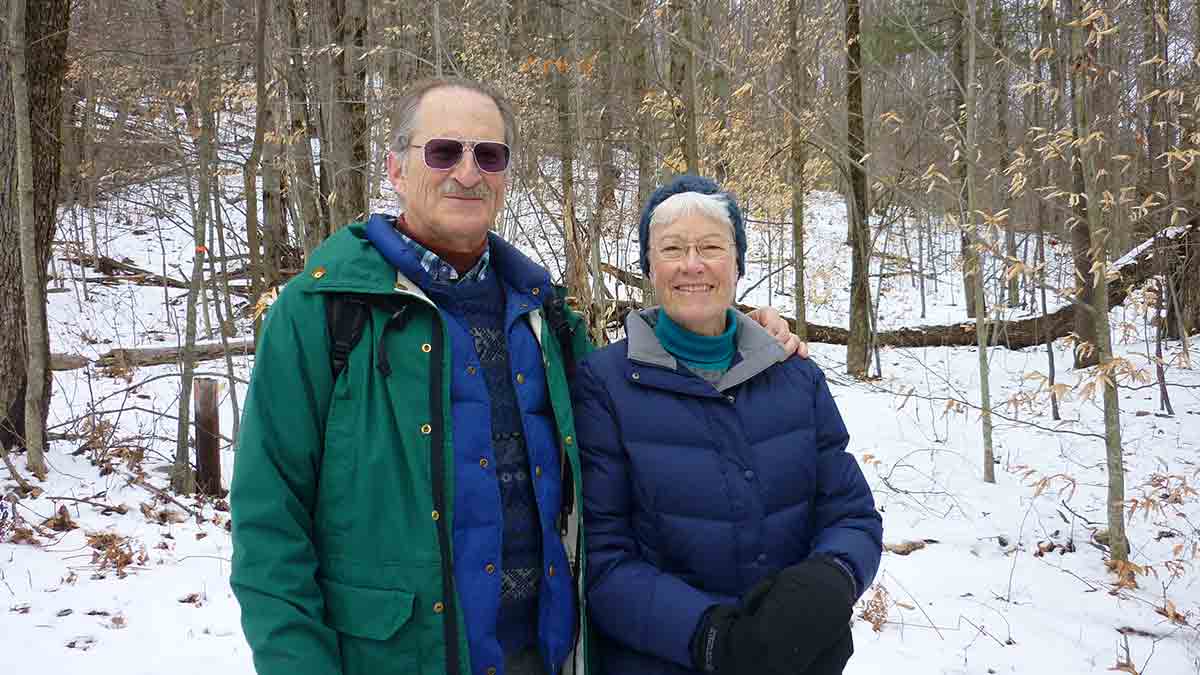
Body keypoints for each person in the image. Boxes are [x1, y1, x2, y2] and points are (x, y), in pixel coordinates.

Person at [229, 79, 807, 675]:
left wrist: (733, 329)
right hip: (396, 657)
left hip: (545, 652)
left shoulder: (544, 313)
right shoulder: (323, 313)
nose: (468, 172)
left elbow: (643, 395)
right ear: (396, 169)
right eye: (443, 151)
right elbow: (270, 524)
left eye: (489, 154)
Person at [573, 175, 883, 675]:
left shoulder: (795, 377)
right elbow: (600, 560)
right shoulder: (603, 385)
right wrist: (715, 639)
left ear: (737, 260)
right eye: (672, 248)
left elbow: (851, 514)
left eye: (711, 246)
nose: (692, 264)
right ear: (649, 267)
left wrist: (831, 579)